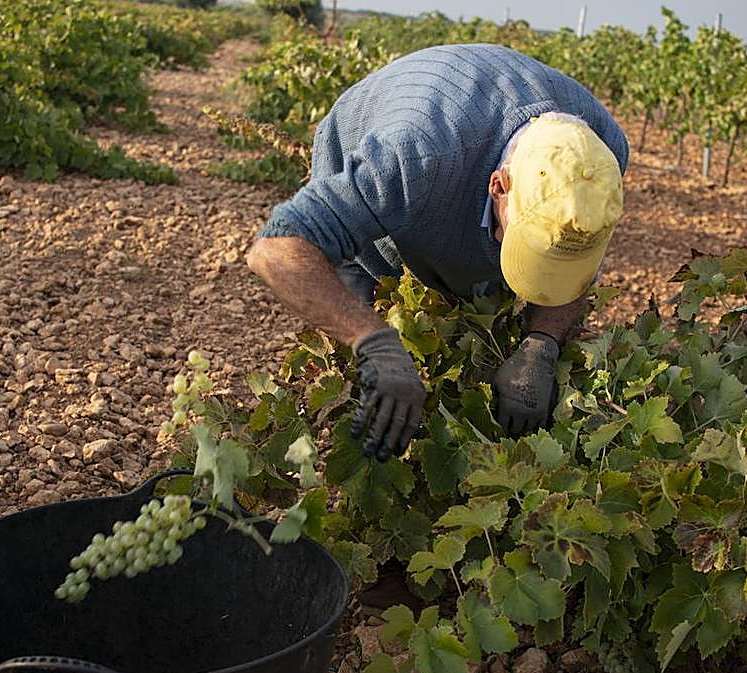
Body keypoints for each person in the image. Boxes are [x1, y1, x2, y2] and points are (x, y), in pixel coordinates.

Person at [246, 42, 628, 460]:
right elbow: (276, 249)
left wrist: (542, 343)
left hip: (465, 158)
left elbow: (575, 259)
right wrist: (373, 341)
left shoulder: (600, 160)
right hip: (392, 134)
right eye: (523, 238)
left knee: (475, 300)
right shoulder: (411, 157)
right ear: (498, 187)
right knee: (362, 338)